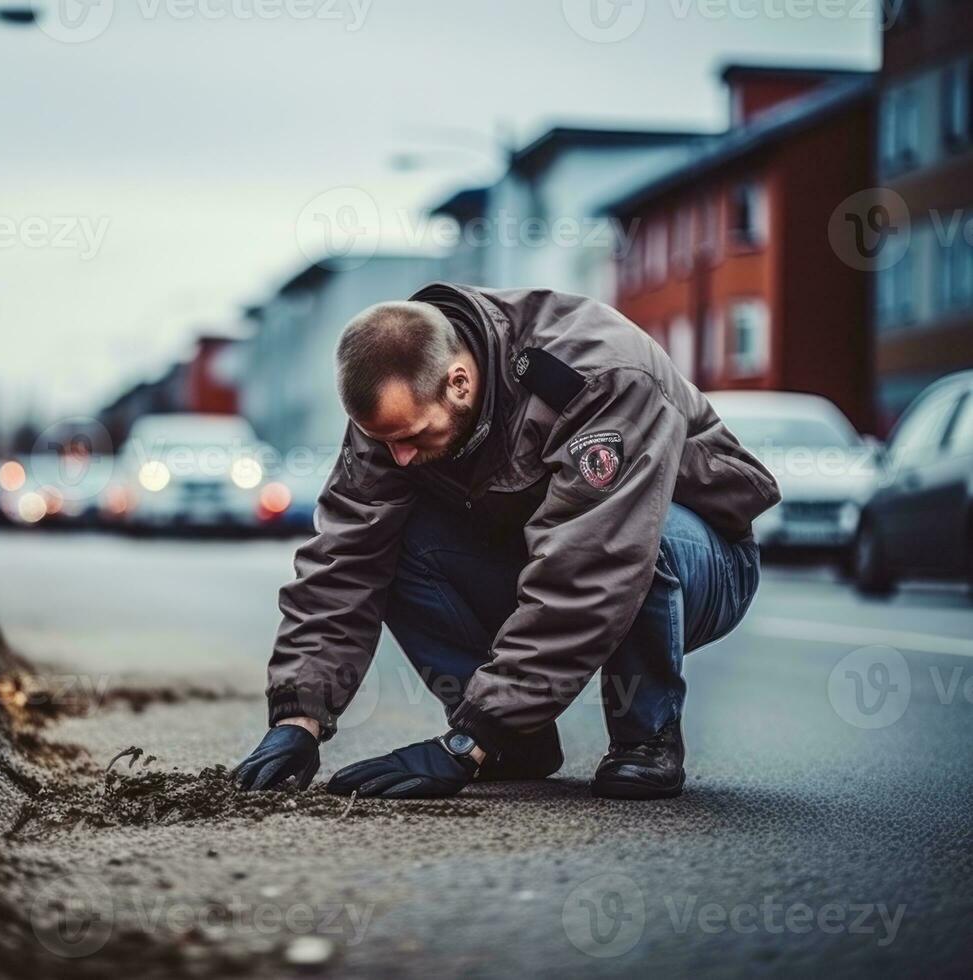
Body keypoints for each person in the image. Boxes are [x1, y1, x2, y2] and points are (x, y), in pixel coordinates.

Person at [231, 284, 779, 800]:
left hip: (700, 562)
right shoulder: (398, 409)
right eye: (385, 441)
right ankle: (514, 740)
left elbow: (593, 562)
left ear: (460, 383)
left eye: (412, 438)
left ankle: (646, 737)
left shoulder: (598, 373)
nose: (397, 455)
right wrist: (298, 716)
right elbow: (344, 559)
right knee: (397, 540)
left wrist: (473, 736)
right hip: (536, 557)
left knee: (638, 534)